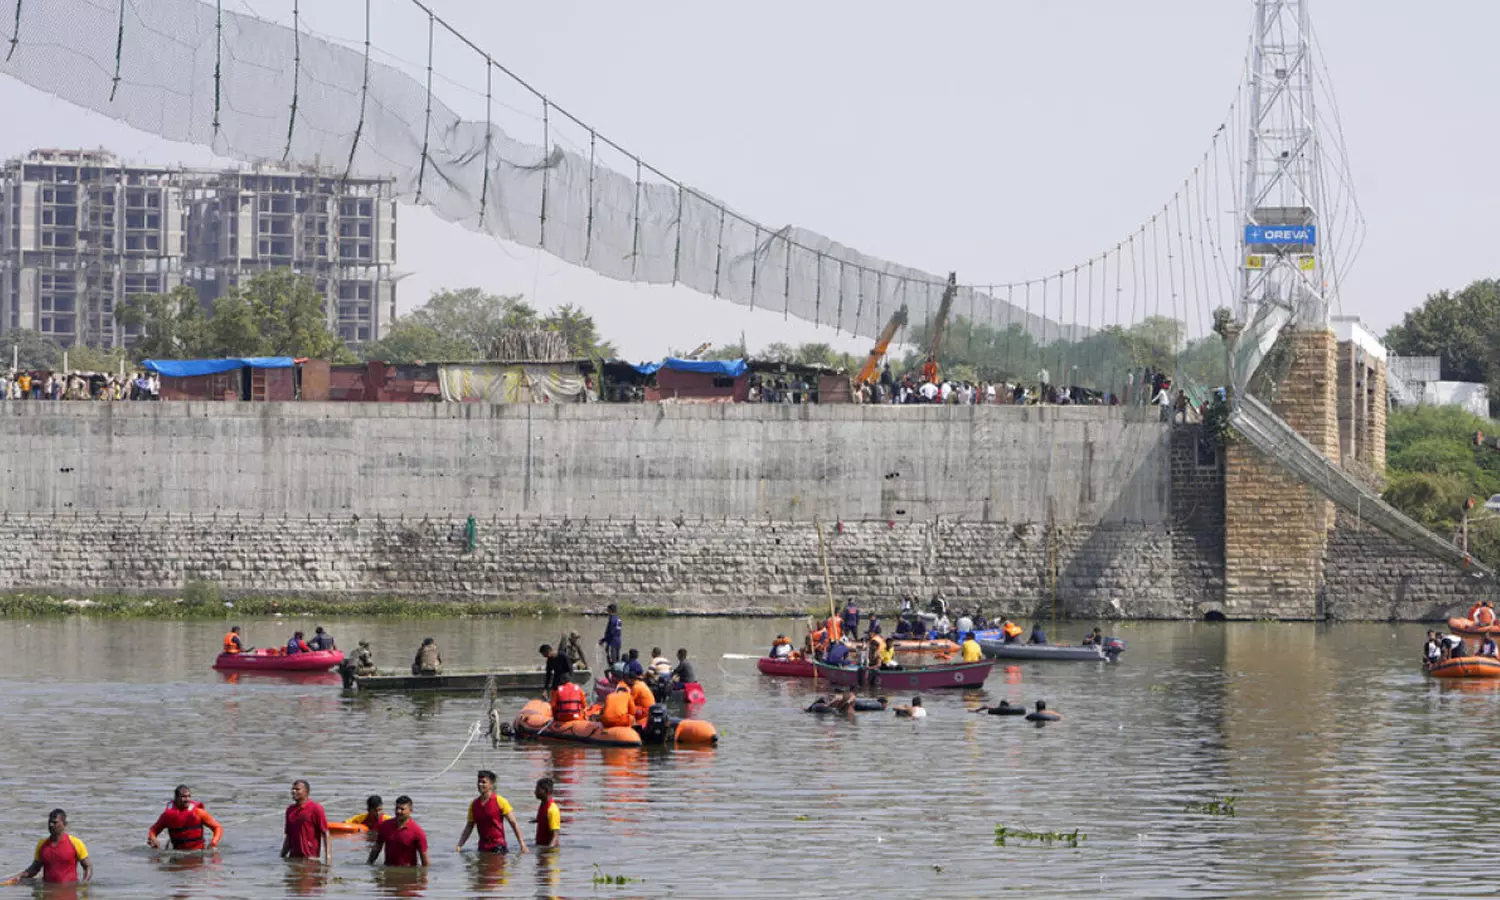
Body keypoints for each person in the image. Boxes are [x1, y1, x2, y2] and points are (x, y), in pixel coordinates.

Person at [6, 809, 91, 885]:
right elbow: (34, 869)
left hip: (69, 890)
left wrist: (84, 884)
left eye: (54, 822)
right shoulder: (42, 844)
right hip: (47, 890)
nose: (51, 825)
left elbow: (88, 867)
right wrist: (19, 876)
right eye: (49, 822)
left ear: (64, 824)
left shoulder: (76, 843)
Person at [457, 770, 527, 855]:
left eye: (483, 782)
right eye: (479, 782)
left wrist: (522, 844)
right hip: (482, 847)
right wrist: (459, 845)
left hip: (498, 847)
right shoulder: (474, 804)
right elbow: (469, 826)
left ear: (491, 784)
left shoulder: (500, 801)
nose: (480, 784)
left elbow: (513, 823)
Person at [148, 784, 223, 851]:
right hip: (177, 853)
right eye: (184, 797)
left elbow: (217, 827)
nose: (187, 799)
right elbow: (153, 830)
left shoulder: (199, 813)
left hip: (198, 853)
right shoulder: (167, 815)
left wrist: (214, 842)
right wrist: (153, 838)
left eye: (189, 796)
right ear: (176, 798)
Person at [281, 779, 332, 866]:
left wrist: (328, 859)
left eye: (297, 789)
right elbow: (288, 836)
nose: (293, 791)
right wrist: (282, 856)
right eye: (292, 789)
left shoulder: (316, 808)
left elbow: (325, 833)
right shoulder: (290, 810)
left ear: (306, 792)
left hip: (310, 859)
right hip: (293, 859)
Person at [368, 796, 428, 867]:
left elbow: (425, 863)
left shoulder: (417, 832)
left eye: (402, 809)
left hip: (408, 872)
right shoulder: (385, 826)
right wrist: (368, 864)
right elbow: (377, 847)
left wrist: (423, 874)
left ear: (410, 810)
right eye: (397, 808)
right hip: (388, 870)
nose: (398, 811)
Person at [533, 778, 561, 849]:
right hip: (541, 846)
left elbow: (555, 836)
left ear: (546, 791)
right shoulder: (543, 804)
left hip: (549, 850)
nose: (535, 792)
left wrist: (548, 851)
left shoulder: (552, 809)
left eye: (537, 790)